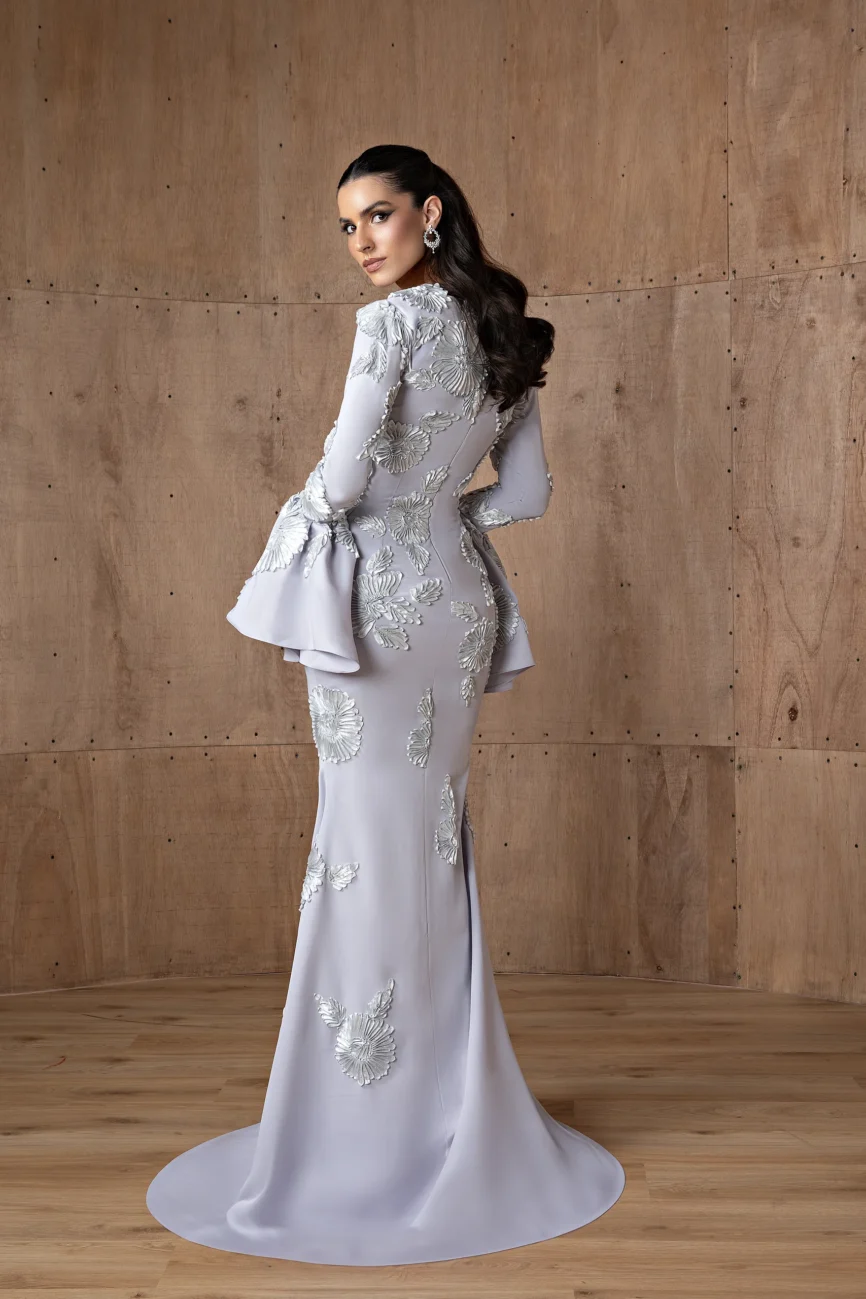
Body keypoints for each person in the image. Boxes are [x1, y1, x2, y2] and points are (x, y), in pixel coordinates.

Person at [146, 144, 625, 1265]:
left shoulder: (392, 324)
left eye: (377, 216)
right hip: (454, 603)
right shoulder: (507, 335)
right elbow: (524, 493)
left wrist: (329, 508)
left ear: (429, 212)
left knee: (362, 848)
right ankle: (440, 1106)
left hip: (374, 607)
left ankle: (363, 1129)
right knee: (427, 844)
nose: (361, 241)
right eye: (347, 225)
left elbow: (345, 478)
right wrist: (438, 513)